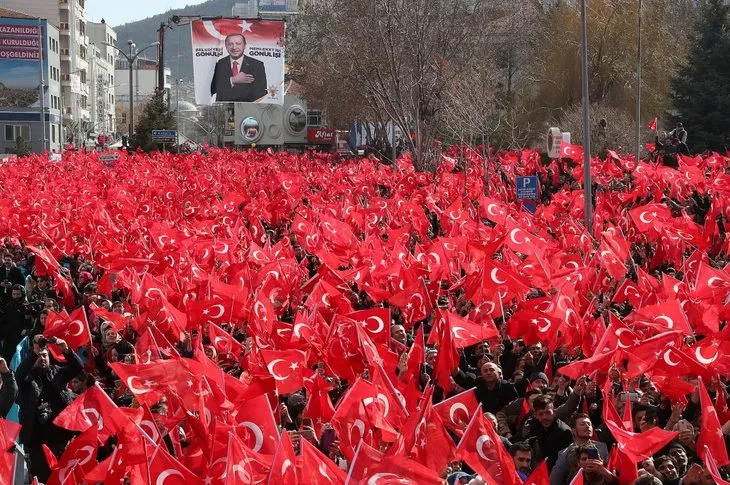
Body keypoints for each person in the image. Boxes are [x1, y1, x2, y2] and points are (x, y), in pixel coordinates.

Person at [16, 335, 83, 481]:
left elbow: (78, 367)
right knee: (44, 478)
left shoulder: (57, 372)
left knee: (64, 478)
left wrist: (66, 350)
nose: (42, 358)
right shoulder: (27, 378)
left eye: (45, 355)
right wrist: (34, 352)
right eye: (39, 356)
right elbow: (19, 374)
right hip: (37, 440)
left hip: (61, 437)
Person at [550, 413, 609, 485]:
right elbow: (555, 480)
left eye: (589, 424)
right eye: (582, 424)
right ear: (574, 431)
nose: (587, 426)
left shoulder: (602, 447)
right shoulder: (565, 453)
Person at [210, 33, 268, 102]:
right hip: (224, 108)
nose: (234, 47)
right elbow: (212, 89)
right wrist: (232, 80)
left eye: (238, 43)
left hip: (247, 109)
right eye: (230, 44)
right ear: (226, 46)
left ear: (244, 45)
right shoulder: (220, 64)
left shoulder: (257, 65)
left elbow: (261, 94)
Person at [525, 395, 574, 471]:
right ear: (536, 415)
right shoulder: (536, 424)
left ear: (554, 413)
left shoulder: (563, 432)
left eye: (548, 413)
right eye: (541, 414)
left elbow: (563, 463)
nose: (544, 417)